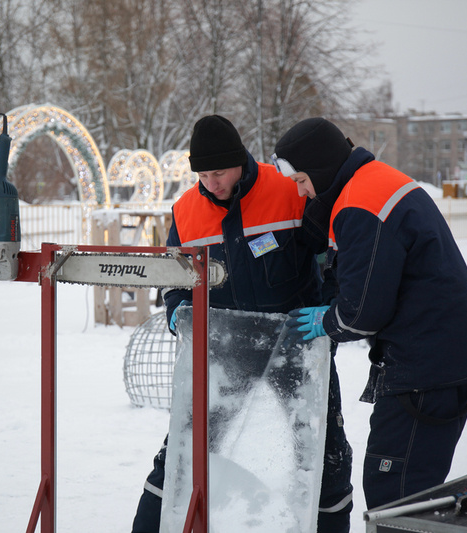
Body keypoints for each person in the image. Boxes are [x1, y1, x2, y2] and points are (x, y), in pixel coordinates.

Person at [131, 115, 354, 532]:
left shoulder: (289, 190)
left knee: (324, 452)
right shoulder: (186, 210)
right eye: (202, 174)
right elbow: (173, 281)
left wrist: (327, 315)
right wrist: (178, 312)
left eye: (218, 172)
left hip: (296, 347)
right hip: (225, 355)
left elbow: (332, 258)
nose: (210, 183)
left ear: (239, 161)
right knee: (184, 450)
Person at [274, 117, 467, 510]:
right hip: (447, 359)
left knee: (395, 497)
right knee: (415, 491)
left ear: (321, 169)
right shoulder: (374, 180)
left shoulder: (359, 204)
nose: (304, 193)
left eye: (302, 181)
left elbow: (363, 313)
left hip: (426, 370)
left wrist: (329, 321)